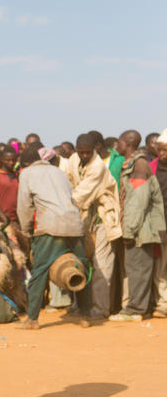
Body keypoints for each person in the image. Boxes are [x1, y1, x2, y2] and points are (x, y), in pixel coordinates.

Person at [17, 147, 90, 328]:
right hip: (74, 225)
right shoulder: (59, 172)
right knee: (81, 267)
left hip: (50, 228)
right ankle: (85, 315)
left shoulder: (26, 173)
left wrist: (26, 231)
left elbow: (24, 206)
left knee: (39, 272)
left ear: (25, 163)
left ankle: (32, 319)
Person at [110, 130, 166, 321]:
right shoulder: (135, 164)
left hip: (141, 229)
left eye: (120, 141)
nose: (118, 145)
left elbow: (138, 201)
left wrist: (129, 231)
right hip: (140, 227)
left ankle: (136, 310)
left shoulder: (139, 166)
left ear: (128, 143)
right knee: (138, 269)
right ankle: (140, 308)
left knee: (138, 269)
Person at [67, 134, 121, 319]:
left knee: (101, 265)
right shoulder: (73, 160)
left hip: (101, 219)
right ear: (76, 150)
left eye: (87, 152)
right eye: (81, 152)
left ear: (94, 150)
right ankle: (79, 304)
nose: (84, 155)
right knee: (80, 262)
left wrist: (61, 203)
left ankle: (101, 308)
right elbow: (66, 181)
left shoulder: (98, 167)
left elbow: (79, 196)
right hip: (81, 219)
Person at [150, 129, 167, 317]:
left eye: (166, 150)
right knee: (161, 267)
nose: (162, 154)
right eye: (160, 150)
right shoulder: (152, 168)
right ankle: (163, 303)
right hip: (160, 226)